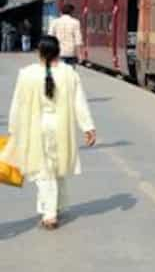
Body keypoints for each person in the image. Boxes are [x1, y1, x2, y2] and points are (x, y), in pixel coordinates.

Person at [1, 35, 96, 230]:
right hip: (61, 127)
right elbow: (79, 102)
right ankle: (57, 206)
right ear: (58, 52)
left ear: (39, 53)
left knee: (43, 171)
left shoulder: (27, 74)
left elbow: (17, 105)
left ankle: (50, 214)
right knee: (57, 168)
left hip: (36, 128)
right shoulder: (69, 73)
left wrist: (13, 129)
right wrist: (88, 127)